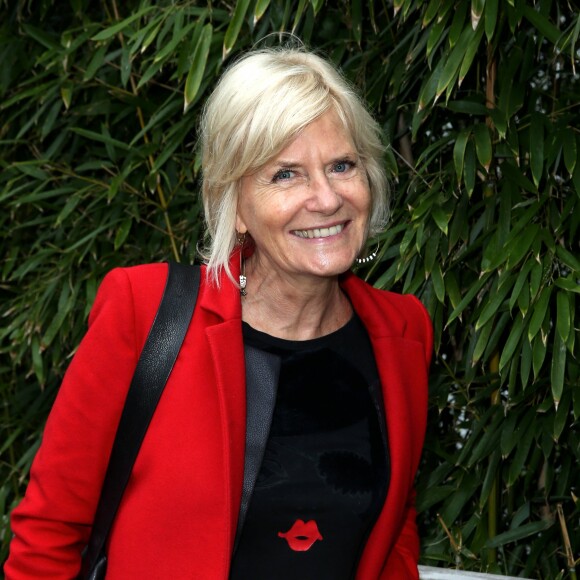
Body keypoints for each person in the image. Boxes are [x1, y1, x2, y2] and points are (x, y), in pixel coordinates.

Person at [5, 46, 432, 579]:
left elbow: (396, 528)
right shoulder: (142, 312)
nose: (325, 199)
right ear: (236, 203)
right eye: (285, 175)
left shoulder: (403, 332)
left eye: (342, 166)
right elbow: (48, 535)